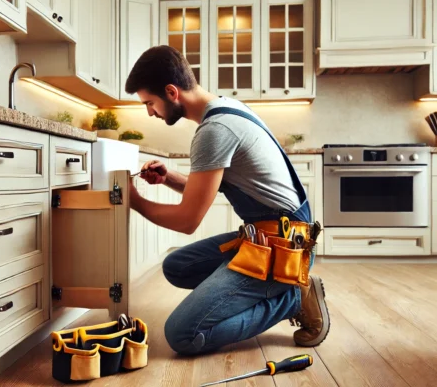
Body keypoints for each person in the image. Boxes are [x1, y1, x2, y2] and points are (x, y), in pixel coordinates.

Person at [123, 45, 330, 356]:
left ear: (171, 92)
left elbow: (186, 221)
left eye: (150, 103)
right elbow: (209, 188)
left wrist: (133, 200)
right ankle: (261, 290)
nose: (150, 112)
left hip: (284, 249)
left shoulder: (214, 130)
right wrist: (168, 178)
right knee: (177, 267)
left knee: (181, 334)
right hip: (274, 236)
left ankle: (294, 298)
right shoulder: (227, 108)